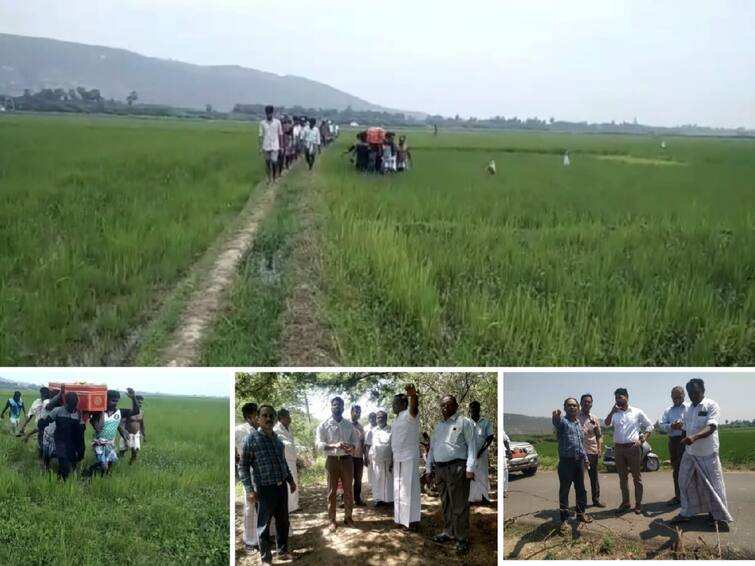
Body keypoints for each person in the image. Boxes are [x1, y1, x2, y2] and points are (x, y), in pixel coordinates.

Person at [239, 405, 296, 566]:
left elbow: (283, 463)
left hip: (281, 488)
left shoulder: (277, 440)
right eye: (265, 415)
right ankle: (266, 559)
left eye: (271, 416)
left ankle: (283, 551)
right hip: (264, 489)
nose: (269, 418)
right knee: (263, 525)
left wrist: (290, 481)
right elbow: (243, 466)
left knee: (283, 522)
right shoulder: (251, 439)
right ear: (258, 418)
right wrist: (249, 490)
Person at [671, 379, 733, 525]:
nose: (693, 396)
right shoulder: (688, 409)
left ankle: (718, 516)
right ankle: (686, 512)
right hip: (690, 452)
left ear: (703, 391)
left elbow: (711, 427)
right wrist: (681, 429)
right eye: (691, 394)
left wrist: (694, 437)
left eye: (696, 392)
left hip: (708, 453)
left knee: (714, 486)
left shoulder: (711, 405)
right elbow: (686, 428)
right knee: (684, 482)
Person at [425, 395, 476, 555]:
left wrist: (470, 468)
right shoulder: (438, 426)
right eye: (442, 405)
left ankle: (462, 538)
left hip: (457, 468)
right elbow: (432, 449)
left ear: (456, 405)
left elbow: (472, 446)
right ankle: (448, 532)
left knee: (459, 505)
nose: (444, 408)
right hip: (440, 470)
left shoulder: (463, 422)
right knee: (446, 503)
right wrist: (428, 469)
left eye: (448, 405)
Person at [604, 388, 654, 514]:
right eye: (616, 398)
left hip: (633, 448)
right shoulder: (615, 413)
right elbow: (606, 424)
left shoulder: (637, 411)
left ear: (627, 397)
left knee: (637, 477)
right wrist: (611, 411)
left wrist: (642, 440)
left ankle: (638, 503)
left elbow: (650, 426)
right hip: (619, 449)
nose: (618, 400)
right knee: (622, 478)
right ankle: (626, 503)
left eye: (620, 397)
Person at [316, 396, 359, 531]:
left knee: (348, 491)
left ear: (343, 407)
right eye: (335, 405)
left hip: (347, 460)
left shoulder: (348, 425)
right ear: (331, 407)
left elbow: (356, 441)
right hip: (332, 461)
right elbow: (318, 444)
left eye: (340, 405)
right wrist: (335, 445)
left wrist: (351, 447)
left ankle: (348, 517)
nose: (337, 407)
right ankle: (332, 520)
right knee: (331, 492)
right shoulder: (324, 425)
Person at [553, 398, 592, 533]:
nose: (572, 407)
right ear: (565, 407)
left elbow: (581, 444)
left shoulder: (577, 424)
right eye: (569, 405)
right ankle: (564, 520)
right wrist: (555, 417)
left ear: (578, 408)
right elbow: (557, 423)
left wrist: (586, 459)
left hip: (579, 462)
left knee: (581, 490)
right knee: (564, 491)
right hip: (566, 463)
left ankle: (580, 514)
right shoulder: (563, 422)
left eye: (575, 405)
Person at [88, 388, 139, 477]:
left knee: (109, 464)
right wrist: (102, 412)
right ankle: (91, 470)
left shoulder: (119, 412)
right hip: (99, 443)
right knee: (104, 466)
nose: (115, 403)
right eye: (112, 400)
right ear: (106, 400)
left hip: (110, 443)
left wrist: (133, 398)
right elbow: (98, 429)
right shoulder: (97, 413)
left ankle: (101, 478)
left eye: (116, 401)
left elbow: (136, 411)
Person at [390, 384, 421, 529]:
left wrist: (412, 395)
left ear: (403, 403)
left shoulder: (409, 415)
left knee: (410, 490)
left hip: (409, 458)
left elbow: (414, 408)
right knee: (399, 489)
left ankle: (412, 521)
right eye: (392, 404)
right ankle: (401, 519)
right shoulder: (396, 420)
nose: (393, 406)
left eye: (395, 403)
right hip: (398, 459)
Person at [40, 391, 85, 480]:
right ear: (65, 403)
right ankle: (62, 481)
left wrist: (81, 449)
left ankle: (59, 480)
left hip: (72, 442)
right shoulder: (57, 411)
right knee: (65, 463)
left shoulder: (78, 413)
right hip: (60, 441)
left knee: (71, 461)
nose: (71, 408)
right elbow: (46, 421)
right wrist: (41, 423)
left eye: (74, 406)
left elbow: (80, 432)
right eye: (70, 406)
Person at [236, 402, 260, 551]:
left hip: (263, 474)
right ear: (249, 417)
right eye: (257, 415)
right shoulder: (239, 431)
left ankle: (264, 535)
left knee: (263, 505)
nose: (260, 418)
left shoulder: (261, 430)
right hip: (248, 473)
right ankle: (250, 541)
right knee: (250, 505)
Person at [658, 386, 688, 506]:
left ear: (684, 395)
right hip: (674, 442)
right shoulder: (668, 410)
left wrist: (683, 425)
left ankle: (690, 497)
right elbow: (661, 425)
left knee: (690, 470)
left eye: (679, 397)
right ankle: (679, 497)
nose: (676, 399)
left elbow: (695, 423)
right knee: (677, 471)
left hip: (687, 440)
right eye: (674, 397)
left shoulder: (690, 408)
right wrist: (671, 426)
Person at [578, 394, 605, 508]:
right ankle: (580, 503)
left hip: (592, 451)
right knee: (579, 479)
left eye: (589, 402)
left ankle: (596, 499)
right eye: (585, 401)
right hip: (579, 453)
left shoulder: (594, 418)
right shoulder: (575, 417)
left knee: (594, 477)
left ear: (592, 404)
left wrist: (599, 448)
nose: (587, 403)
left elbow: (599, 436)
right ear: (581, 403)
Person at [273, 408, 300, 513]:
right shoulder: (276, 430)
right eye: (287, 417)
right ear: (281, 418)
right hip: (285, 460)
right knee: (288, 484)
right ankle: (288, 507)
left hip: (292, 459)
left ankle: (294, 505)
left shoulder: (288, 428)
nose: (290, 419)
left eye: (289, 416)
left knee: (294, 482)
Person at [468, 401, 494, 505]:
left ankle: (484, 497)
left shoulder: (485, 422)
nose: (474, 410)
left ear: (479, 409)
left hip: (482, 454)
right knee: (471, 474)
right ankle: (471, 499)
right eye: (472, 408)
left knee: (483, 474)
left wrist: (481, 451)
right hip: (469, 453)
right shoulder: (466, 422)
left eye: (476, 408)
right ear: (469, 409)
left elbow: (490, 437)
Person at [365, 410, 393, 506]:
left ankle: (389, 500)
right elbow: (368, 445)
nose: (380, 419)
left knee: (388, 481)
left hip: (388, 460)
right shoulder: (372, 431)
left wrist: (393, 460)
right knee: (377, 480)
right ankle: (378, 500)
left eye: (382, 417)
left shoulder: (391, 429)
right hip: (375, 460)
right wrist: (366, 457)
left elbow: (394, 446)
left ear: (386, 418)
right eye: (378, 417)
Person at [17, 387, 52, 459]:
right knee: (41, 445)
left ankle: (44, 462)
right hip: (41, 429)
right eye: (42, 394)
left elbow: (42, 425)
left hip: (47, 430)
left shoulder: (50, 404)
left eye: (44, 395)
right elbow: (30, 415)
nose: (43, 396)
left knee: (46, 447)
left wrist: (28, 435)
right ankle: (41, 461)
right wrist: (22, 428)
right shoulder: (37, 402)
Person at [259, 105, 283, 184]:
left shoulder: (277, 122)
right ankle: (268, 178)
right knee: (267, 162)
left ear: (272, 113)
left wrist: (281, 146)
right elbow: (260, 136)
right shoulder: (262, 123)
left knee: (274, 161)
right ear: (266, 114)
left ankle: (274, 178)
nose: (269, 115)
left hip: (275, 145)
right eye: (267, 114)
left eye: (270, 113)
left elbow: (280, 134)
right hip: (266, 146)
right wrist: (260, 147)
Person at [119, 395, 145, 464]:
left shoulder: (142, 412)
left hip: (136, 434)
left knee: (135, 451)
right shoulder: (129, 411)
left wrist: (143, 434)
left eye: (141, 402)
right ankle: (116, 461)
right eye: (138, 402)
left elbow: (141, 424)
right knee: (123, 451)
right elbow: (121, 423)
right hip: (127, 434)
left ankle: (130, 464)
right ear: (134, 402)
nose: (139, 403)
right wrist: (123, 433)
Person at [350, 404, 367, 506]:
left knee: (358, 480)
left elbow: (363, 443)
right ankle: (345, 500)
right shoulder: (346, 424)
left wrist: (365, 456)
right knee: (347, 479)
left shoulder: (361, 427)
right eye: (355, 411)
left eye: (359, 412)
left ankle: (357, 499)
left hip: (359, 457)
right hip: (348, 457)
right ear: (351, 412)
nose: (357, 414)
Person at [364, 412, 377, 493]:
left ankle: (377, 487)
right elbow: (365, 444)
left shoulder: (379, 427)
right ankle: (371, 487)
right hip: (369, 452)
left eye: (374, 417)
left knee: (377, 470)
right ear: (369, 419)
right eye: (371, 417)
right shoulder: (366, 428)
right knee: (370, 470)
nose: (372, 419)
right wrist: (365, 456)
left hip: (378, 452)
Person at [501, 429, 511, 498]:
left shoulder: (501, 430)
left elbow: (505, 440)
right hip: (501, 454)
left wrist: (509, 451)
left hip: (502, 454)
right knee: (504, 472)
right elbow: (505, 440)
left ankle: (504, 491)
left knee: (505, 472)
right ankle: (503, 491)